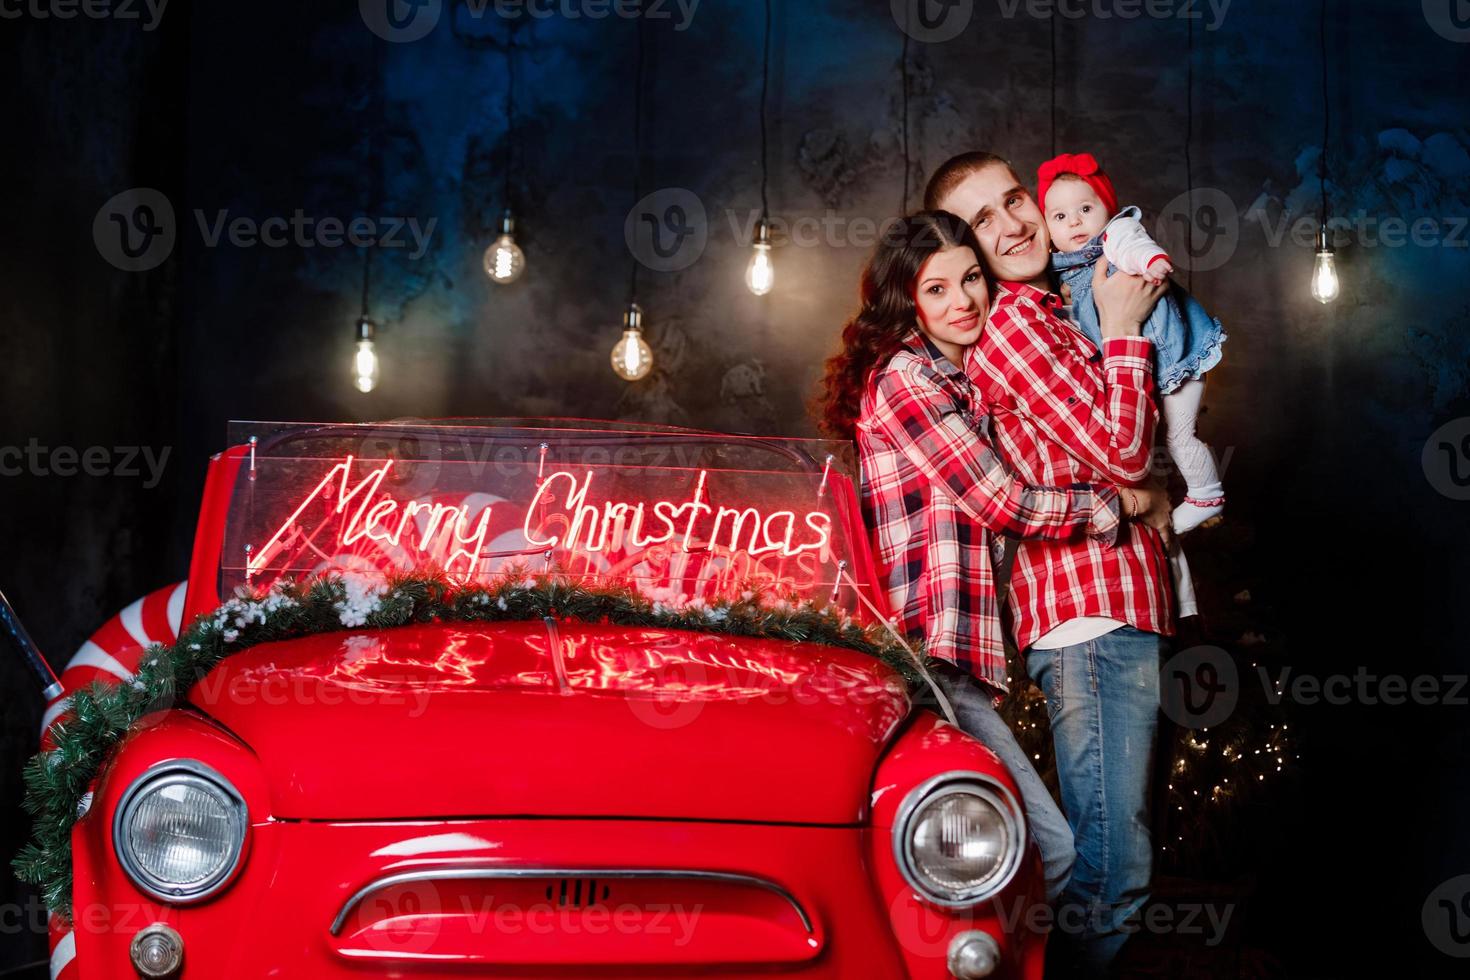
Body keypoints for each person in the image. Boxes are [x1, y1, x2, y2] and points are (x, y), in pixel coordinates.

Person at [815, 210, 1171, 906]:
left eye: (972, 278)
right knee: (1049, 851)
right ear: (907, 303)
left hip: (954, 663)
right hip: (923, 659)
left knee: (977, 860)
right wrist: (1121, 504)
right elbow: (1001, 501)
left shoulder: (962, 384)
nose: (965, 302)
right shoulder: (906, 380)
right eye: (938, 289)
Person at [925, 152, 1174, 975]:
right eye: (984, 222)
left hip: (1106, 603)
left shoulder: (1050, 307)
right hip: (1090, 610)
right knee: (1112, 865)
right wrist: (1128, 329)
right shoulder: (1018, 325)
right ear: (965, 252)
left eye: (1013, 200)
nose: (1015, 223)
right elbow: (1124, 452)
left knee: (1110, 851)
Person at [1037, 152, 1229, 533]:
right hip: (1145, 373)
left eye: (1085, 209)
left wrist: (1151, 260)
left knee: (1179, 435)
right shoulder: (1062, 265)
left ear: (1107, 210)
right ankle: (1185, 491)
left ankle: (1207, 495)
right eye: (1059, 216)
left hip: (1178, 362)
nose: (1074, 221)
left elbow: (1133, 245)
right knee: (1160, 440)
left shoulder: (1115, 235)